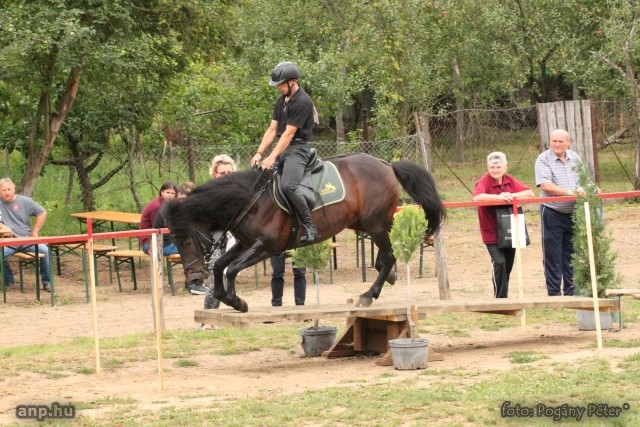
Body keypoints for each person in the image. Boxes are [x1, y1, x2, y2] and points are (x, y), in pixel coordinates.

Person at [251, 61, 319, 244]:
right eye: (277, 85)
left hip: (297, 149)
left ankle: (309, 225)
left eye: (281, 84)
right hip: (283, 147)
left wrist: (271, 157)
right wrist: (259, 153)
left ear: (293, 81)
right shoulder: (281, 102)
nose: (279, 88)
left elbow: (289, 133)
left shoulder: (302, 102)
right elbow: (272, 130)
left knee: (288, 186)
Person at [535, 129, 591, 296]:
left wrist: (591, 188)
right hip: (552, 211)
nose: (557, 144)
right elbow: (545, 185)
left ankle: (571, 290)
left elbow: (584, 180)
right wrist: (570, 192)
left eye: (560, 141)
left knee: (571, 253)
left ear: (568, 143)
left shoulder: (575, 158)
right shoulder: (543, 159)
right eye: (554, 141)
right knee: (553, 254)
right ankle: (553, 293)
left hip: (573, 212)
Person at [472, 152, 535, 298]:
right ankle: (499, 299)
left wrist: (513, 195)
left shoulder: (509, 180)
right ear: (488, 168)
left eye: (498, 167)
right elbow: (477, 197)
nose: (495, 170)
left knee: (507, 265)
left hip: (509, 228)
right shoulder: (484, 181)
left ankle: (504, 297)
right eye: (492, 167)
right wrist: (498, 197)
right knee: (499, 262)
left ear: (505, 168)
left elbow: (530, 193)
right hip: (491, 230)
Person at [0, 177, 51, 292]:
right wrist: (3, 226)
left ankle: (46, 282)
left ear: (14, 189)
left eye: (9, 189)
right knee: (0, 255)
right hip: (10, 242)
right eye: (3, 190)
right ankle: (9, 282)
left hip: (27, 239)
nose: (7, 192)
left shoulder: (25, 201)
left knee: (45, 250)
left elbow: (42, 212)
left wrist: (35, 231)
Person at [139, 181, 177, 254]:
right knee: (189, 249)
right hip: (149, 243)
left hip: (162, 240)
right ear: (162, 192)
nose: (170, 195)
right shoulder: (157, 207)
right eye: (168, 192)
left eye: (173, 193)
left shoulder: (167, 204)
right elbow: (156, 228)